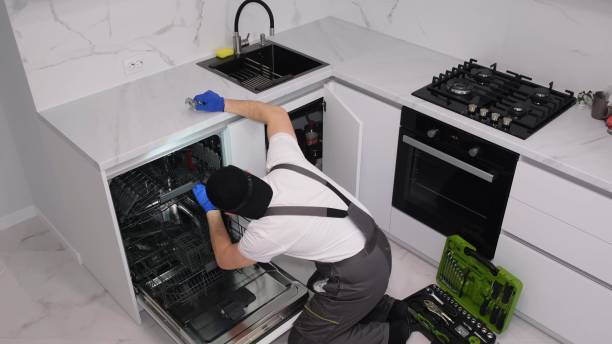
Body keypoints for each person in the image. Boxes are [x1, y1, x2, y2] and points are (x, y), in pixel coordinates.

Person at [190, 90, 414, 344]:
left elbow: (225, 259)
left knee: (302, 340)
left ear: (230, 212)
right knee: (319, 278)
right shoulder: (284, 162)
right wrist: (223, 103)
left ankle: (391, 334)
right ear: (247, 173)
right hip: (378, 244)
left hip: (360, 277)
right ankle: (384, 308)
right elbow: (274, 113)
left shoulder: (264, 233)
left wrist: (211, 212)